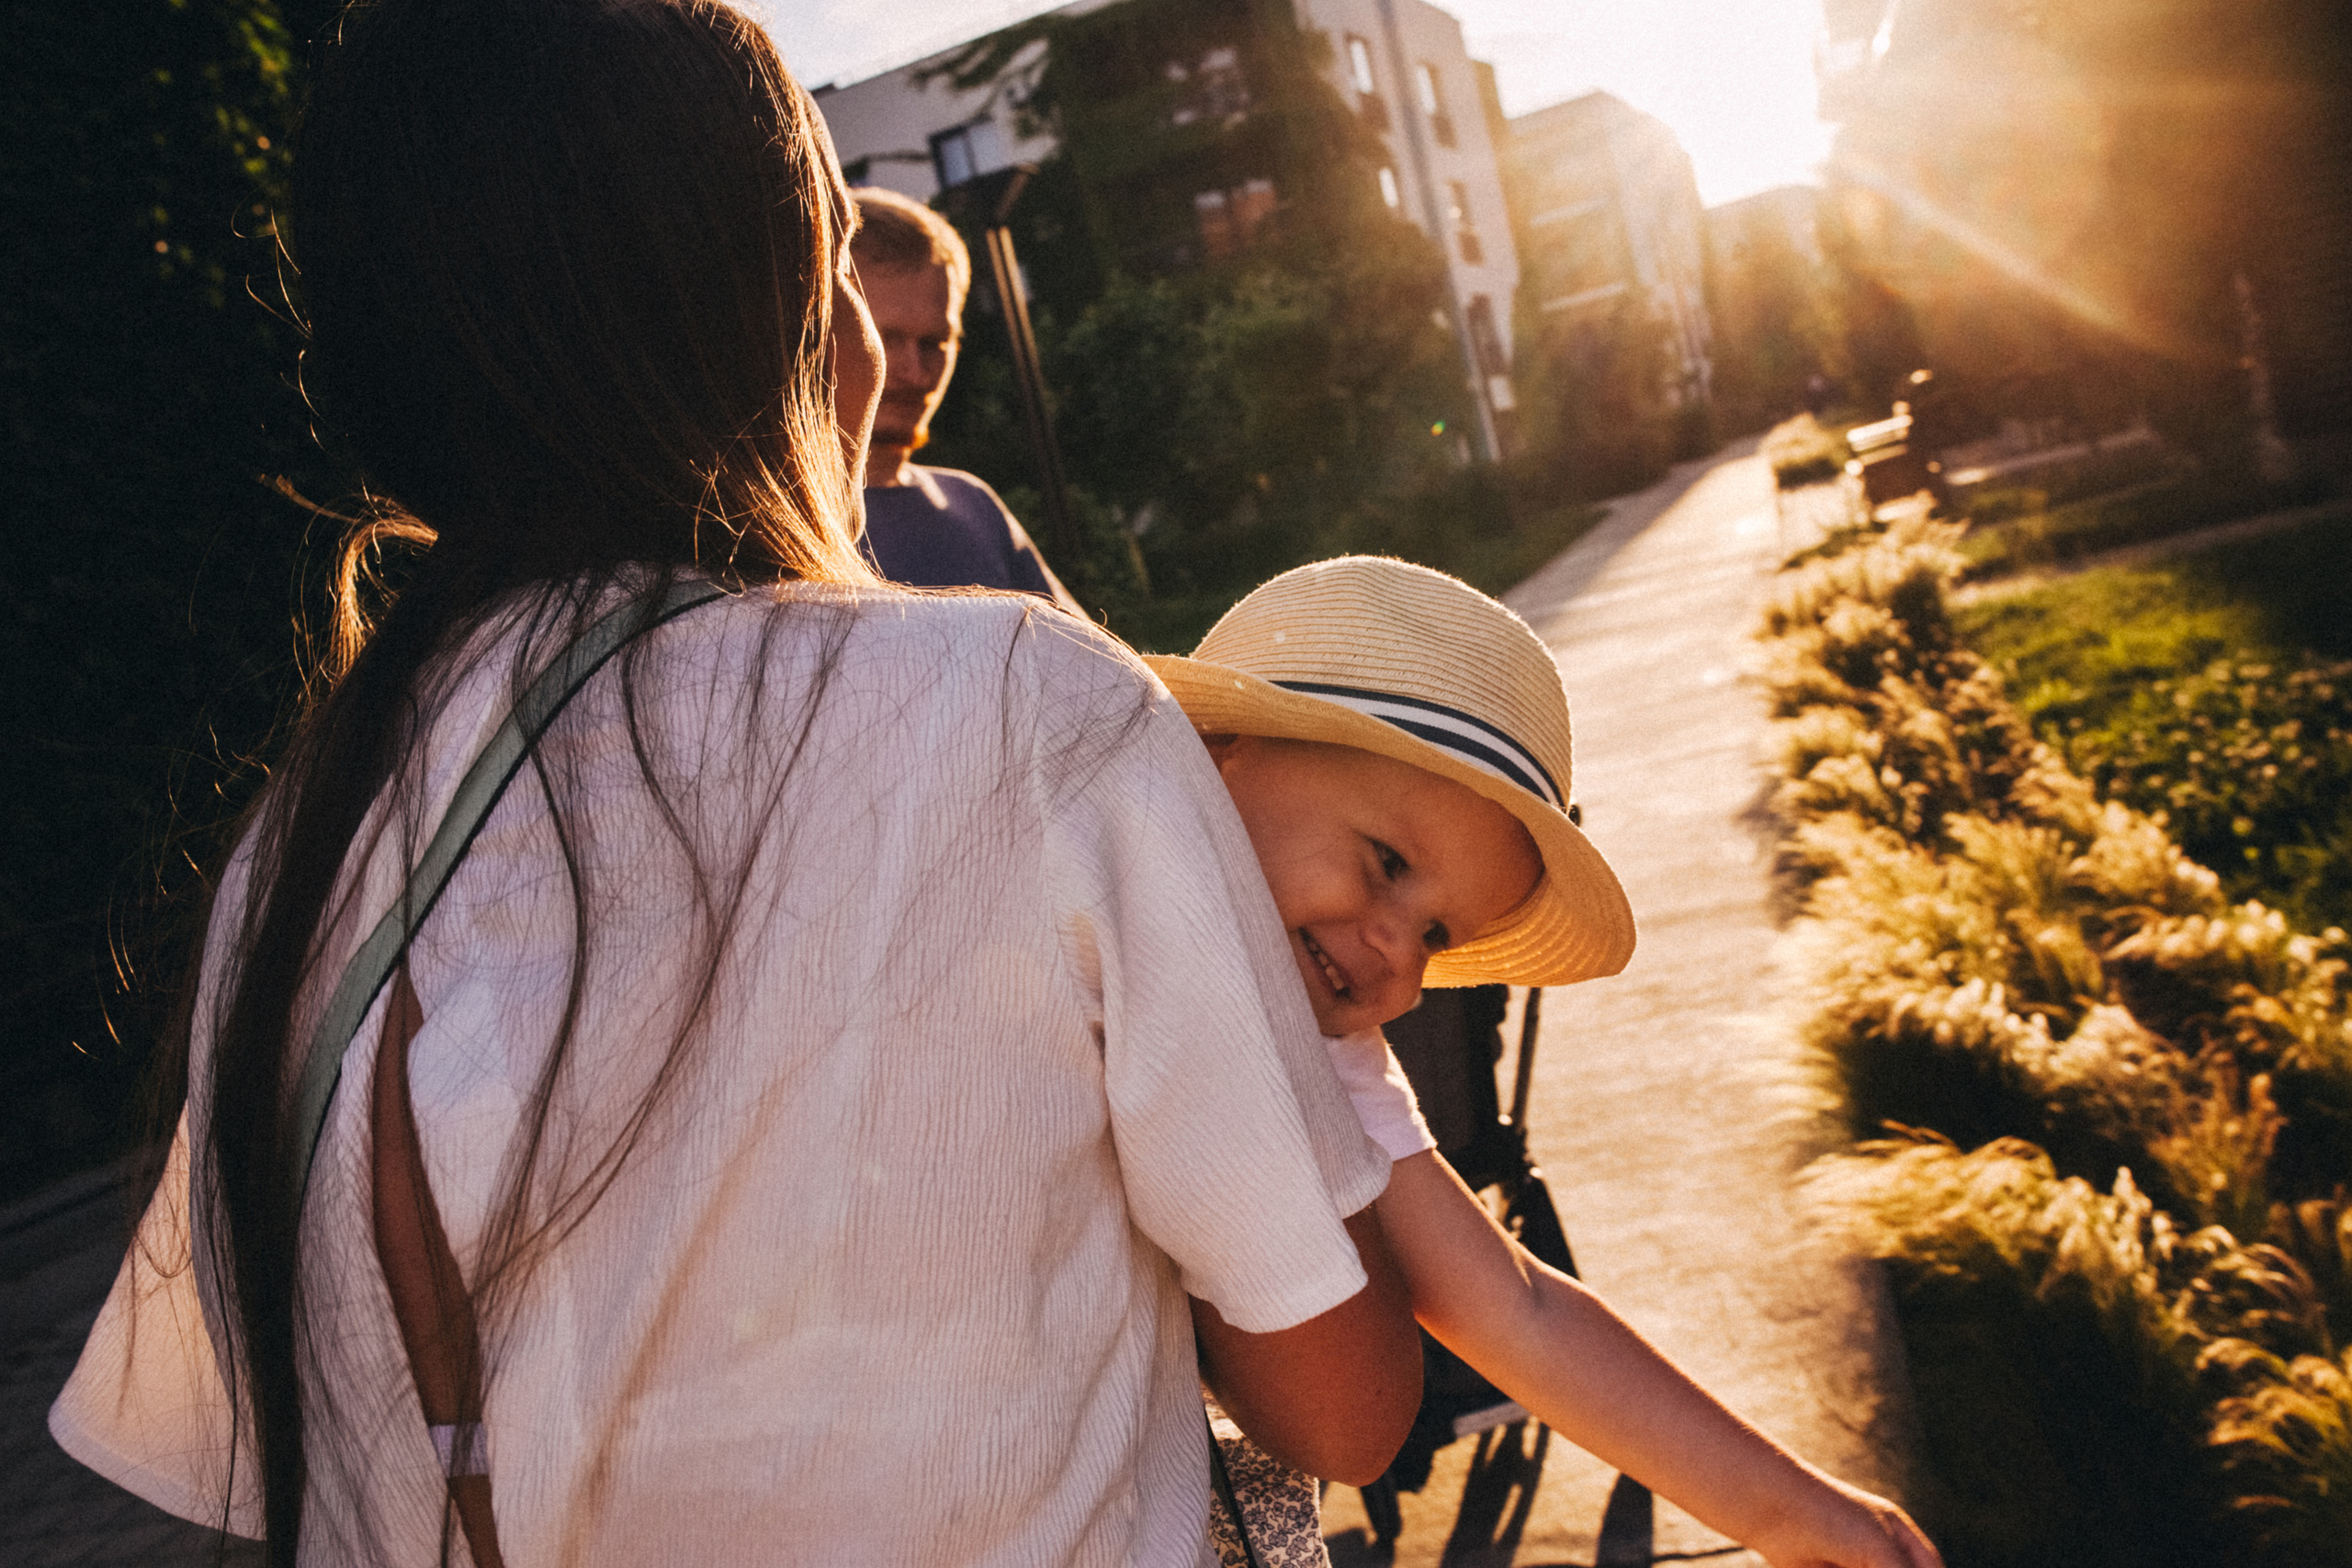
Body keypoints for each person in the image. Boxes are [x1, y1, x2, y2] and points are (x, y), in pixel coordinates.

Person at [46, 4, 1420, 1563]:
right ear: (772, 308)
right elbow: (1346, 1406)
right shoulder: (1025, 715)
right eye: (837, 253)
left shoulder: (297, 856)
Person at [1149, 557, 1943, 1568]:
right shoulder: (1031, 914)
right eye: (1386, 862)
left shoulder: (1320, 1048)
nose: (1394, 946)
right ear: (1219, 753)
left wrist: (1797, 1513)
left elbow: (1511, 1305)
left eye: (1436, 934)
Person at [847, 185, 1081, 611]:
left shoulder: (974, 505)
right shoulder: (764, 533)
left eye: (936, 342)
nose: (917, 373)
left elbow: (1100, 670)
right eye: (885, 339)